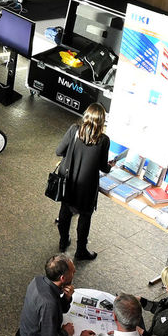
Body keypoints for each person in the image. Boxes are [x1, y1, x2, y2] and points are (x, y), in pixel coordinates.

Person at [55, 102, 113, 261]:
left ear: (86, 115)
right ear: (101, 121)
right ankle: (81, 250)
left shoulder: (74, 130)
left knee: (65, 211)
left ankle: (63, 241)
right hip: (87, 187)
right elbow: (103, 167)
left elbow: (58, 151)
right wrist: (110, 166)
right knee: (85, 217)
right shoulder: (103, 140)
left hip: (69, 181)